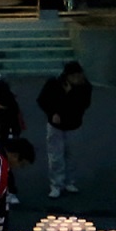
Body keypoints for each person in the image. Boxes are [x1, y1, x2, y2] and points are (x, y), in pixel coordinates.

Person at [37, 61, 93, 200]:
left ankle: (69, 182)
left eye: (79, 75)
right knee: (56, 156)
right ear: (68, 76)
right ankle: (56, 184)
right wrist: (52, 113)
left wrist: (71, 93)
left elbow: (84, 104)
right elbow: (42, 100)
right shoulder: (54, 83)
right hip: (56, 126)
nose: (78, 79)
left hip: (74, 124)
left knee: (72, 155)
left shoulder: (85, 87)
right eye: (75, 76)